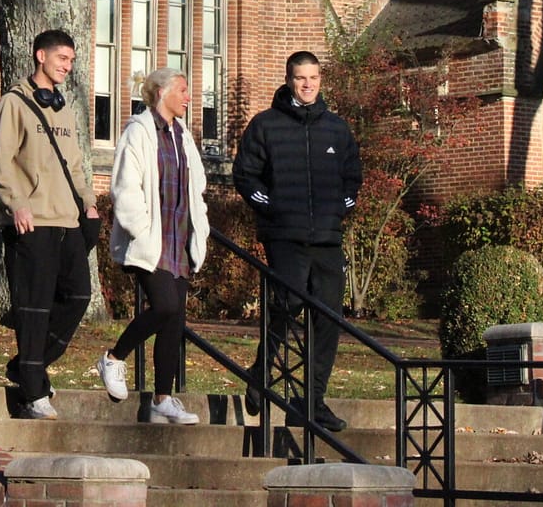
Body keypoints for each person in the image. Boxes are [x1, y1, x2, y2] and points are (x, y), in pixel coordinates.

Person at [233, 50, 362, 432]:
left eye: (314, 78)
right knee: (284, 306)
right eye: (301, 78)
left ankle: (313, 400)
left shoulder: (337, 129)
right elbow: (246, 176)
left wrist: (339, 208)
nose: (308, 85)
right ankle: (260, 374)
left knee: (327, 317)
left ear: (321, 80)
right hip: (285, 236)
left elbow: (353, 177)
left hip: (326, 238)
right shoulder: (266, 125)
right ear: (289, 80)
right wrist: (272, 208)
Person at [0, 28, 99, 420]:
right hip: (31, 222)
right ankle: (33, 391)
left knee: (78, 297)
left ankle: (26, 366)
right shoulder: (13, 104)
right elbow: (0, 163)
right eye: (61, 59)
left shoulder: (63, 109)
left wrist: (89, 204)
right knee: (33, 308)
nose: (67, 66)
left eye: (70, 60)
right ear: (40, 56)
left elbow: (76, 165)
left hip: (68, 220)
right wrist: (15, 205)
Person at [93, 68, 210, 425]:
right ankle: (113, 358)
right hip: (151, 241)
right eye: (183, 90)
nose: (188, 97)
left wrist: (199, 228)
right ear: (161, 92)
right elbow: (125, 186)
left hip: (179, 239)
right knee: (164, 305)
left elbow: (196, 185)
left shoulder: (182, 135)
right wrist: (142, 230)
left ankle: (163, 398)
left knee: (174, 319)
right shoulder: (139, 132)